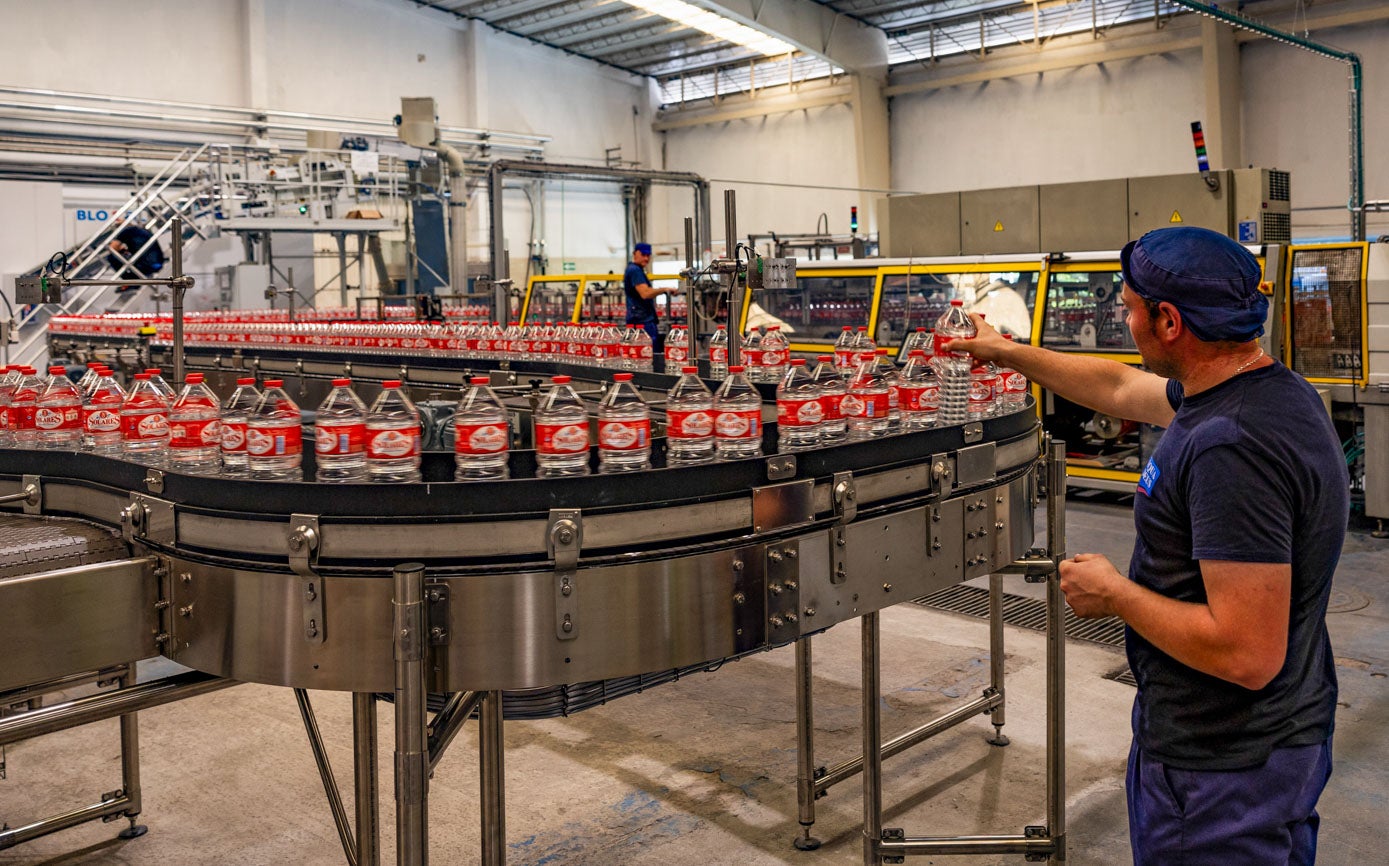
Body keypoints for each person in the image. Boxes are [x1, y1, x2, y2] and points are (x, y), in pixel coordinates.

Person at [951, 226, 1345, 865]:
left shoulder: (1229, 447)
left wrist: (1116, 595)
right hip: (1273, 737)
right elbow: (1114, 388)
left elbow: (1247, 652)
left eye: (1129, 307)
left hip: (1221, 766)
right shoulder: (1266, 389)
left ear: (1168, 321)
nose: (1121, 319)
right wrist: (1007, 352)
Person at [623, 242, 672, 356]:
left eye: (648, 256)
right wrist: (664, 289)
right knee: (647, 354)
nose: (646, 258)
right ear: (635, 253)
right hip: (641, 321)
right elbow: (645, 293)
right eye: (643, 255)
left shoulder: (634, 269)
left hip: (639, 319)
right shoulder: (635, 270)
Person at [105, 218, 165, 293]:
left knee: (112, 257)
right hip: (158, 262)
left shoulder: (125, 232)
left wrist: (120, 249)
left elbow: (112, 248)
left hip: (146, 267)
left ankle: (132, 283)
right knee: (127, 255)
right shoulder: (141, 230)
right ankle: (134, 281)